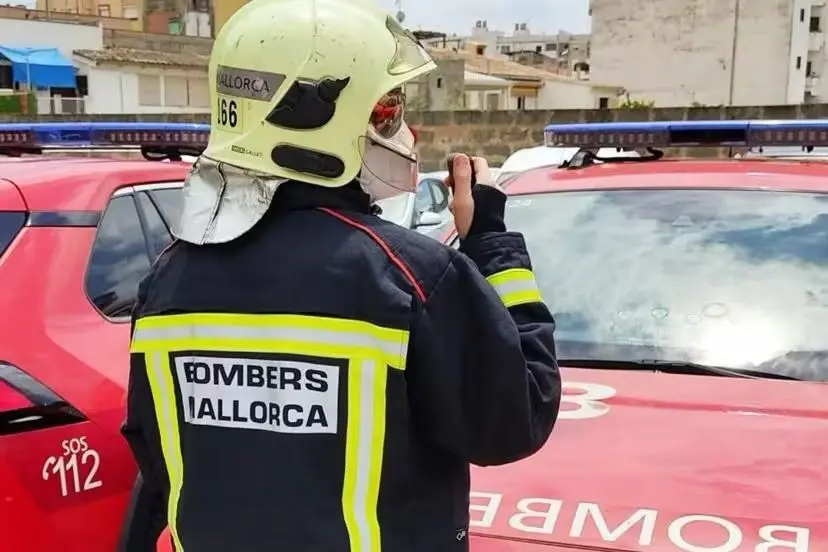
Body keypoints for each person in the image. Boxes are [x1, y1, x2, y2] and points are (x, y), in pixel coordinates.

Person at [119, 0, 561, 550]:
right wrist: (491, 244)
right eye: (387, 110)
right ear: (317, 114)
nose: (407, 130)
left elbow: (159, 457)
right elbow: (515, 421)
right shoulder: (413, 277)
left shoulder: (167, 280)